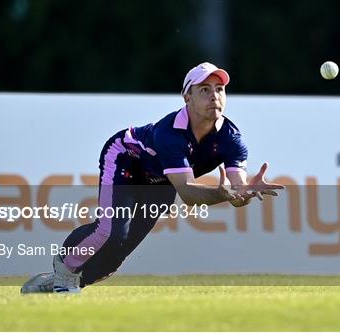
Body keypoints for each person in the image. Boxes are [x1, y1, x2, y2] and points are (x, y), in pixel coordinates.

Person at [21, 62, 283, 293]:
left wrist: (245, 193)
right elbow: (189, 194)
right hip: (125, 158)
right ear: (187, 98)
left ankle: (60, 282)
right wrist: (221, 194)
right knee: (109, 231)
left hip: (159, 181)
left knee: (116, 256)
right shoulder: (170, 133)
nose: (214, 96)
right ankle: (64, 272)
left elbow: (235, 191)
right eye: (204, 89)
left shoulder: (232, 138)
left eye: (219, 89)